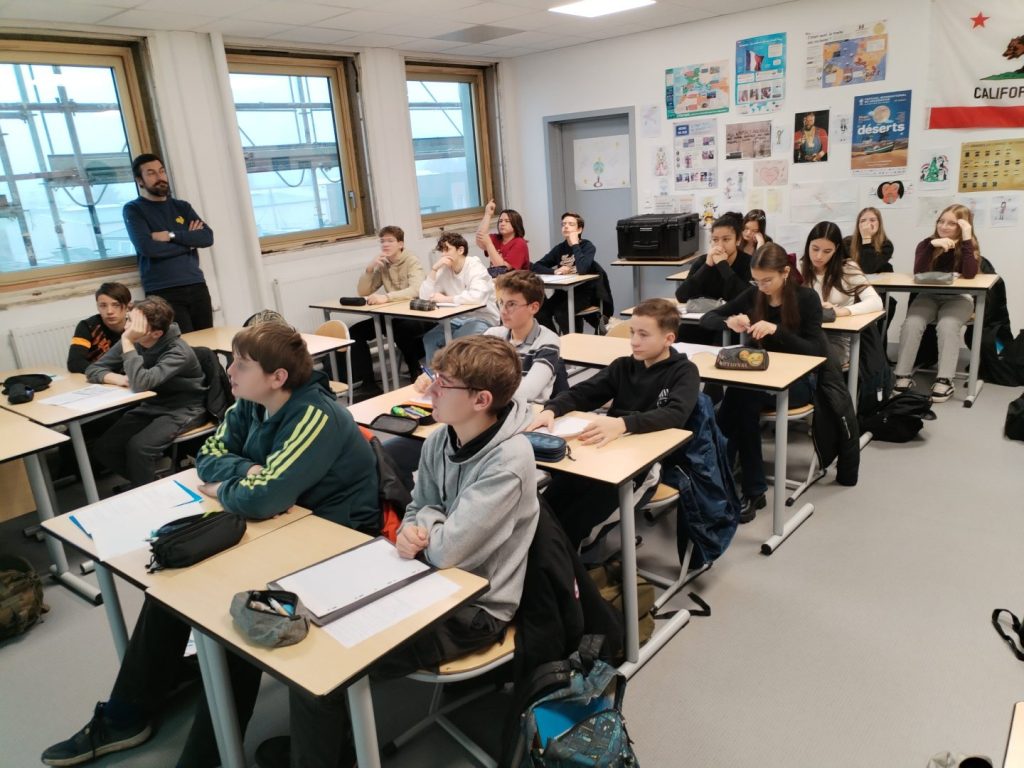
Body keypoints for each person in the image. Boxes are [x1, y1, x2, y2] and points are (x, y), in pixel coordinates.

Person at [42, 323, 380, 768]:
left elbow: (263, 498)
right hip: (282, 526)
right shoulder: (249, 403)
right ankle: (127, 715)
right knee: (169, 590)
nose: (229, 372)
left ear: (277, 377)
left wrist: (231, 487)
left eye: (242, 364)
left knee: (240, 619)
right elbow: (206, 458)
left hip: (335, 541)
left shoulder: (314, 415)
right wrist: (249, 470)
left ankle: (204, 757)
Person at [253, 335, 539, 768]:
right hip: (424, 577)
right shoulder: (442, 438)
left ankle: (320, 757)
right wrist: (414, 529)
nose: (430, 389)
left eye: (444, 383)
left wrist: (428, 523)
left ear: (481, 400)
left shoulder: (509, 461)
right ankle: (325, 748)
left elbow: (448, 551)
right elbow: (416, 506)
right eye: (433, 377)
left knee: (327, 661)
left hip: (476, 608)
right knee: (316, 621)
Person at [529, 298, 700, 547]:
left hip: (645, 465)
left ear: (668, 339)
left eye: (643, 335)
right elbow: (583, 393)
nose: (634, 341)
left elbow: (675, 414)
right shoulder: (624, 366)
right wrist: (551, 409)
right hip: (605, 451)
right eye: (632, 332)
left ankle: (572, 560)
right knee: (547, 508)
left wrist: (622, 424)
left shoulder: (684, 372)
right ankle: (555, 556)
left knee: (574, 523)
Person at [700, 243, 829, 523]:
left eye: (767, 280)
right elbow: (708, 318)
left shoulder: (806, 299)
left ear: (785, 272)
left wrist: (776, 330)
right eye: (757, 281)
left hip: (798, 383)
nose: (762, 287)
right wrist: (729, 322)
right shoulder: (754, 293)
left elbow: (817, 352)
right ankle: (745, 486)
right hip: (759, 380)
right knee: (741, 399)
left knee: (738, 399)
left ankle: (725, 479)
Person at [85, 296, 207, 488]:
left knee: (139, 448)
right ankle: (148, 485)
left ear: (156, 333)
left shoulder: (177, 351)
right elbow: (93, 369)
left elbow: (141, 383)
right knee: (104, 447)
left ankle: (148, 490)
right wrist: (119, 379)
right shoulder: (135, 339)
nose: (127, 328)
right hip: (153, 405)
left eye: (134, 324)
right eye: (129, 320)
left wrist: (127, 342)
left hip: (184, 409)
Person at [893, 204, 980, 403]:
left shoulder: (968, 246)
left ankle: (945, 379)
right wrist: (932, 245)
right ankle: (902, 375)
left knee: (947, 324)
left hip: (959, 298)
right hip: (929, 296)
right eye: (941, 221)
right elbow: (918, 272)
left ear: (962, 226)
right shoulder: (927, 244)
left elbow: (969, 274)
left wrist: (967, 236)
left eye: (952, 223)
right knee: (912, 323)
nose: (944, 226)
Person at [123, 153, 214, 333]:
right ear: (140, 181)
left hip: (196, 285)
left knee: (207, 340)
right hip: (163, 291)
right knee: (181, 343)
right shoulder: (134, 209)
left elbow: (206, 237)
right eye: (151, 173)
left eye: (161, 171)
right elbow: (148, 248)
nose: (159, 177)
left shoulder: (182, 207)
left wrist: (171, 236)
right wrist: (189, 242)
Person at [349, 225, 428, 389]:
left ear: (400, 244)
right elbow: (363, 291)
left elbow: (416, 289)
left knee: (401, 328)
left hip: (415, 314)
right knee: (355, 332)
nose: (385, 244)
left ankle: (415, 370)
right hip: (392, 315)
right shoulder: (383, 264)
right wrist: (369, 269)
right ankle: (368, 383)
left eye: (390, 241)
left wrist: (386, 297)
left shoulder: (411, 260)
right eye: (382, 241)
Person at [800, 221, 883, 363]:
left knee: (813, 359)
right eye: (815, 249)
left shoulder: (847, 268)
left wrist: (840, 311)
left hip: (838, 337)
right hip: (807, 333)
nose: (819, 256)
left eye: (827, 251)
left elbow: (876, 302)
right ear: (808, 245)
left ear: (836, 249)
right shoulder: (800, 267)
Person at [419, 232, 499, 364]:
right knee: (430, 339)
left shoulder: (474, 266)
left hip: (482, 318)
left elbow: (477, 297)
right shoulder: (444, 269)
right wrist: (434, 269)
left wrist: (445, 299)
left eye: (447, 250)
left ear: (460, 250)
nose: (443, 255)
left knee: (455, 342)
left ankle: (453, 375)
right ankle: (435, 375)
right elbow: (424, 296)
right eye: (442, 251)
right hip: (456, 320)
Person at [675, 212, 752, 344]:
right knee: (681, 336)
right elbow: (682, 296)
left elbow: (746, 299)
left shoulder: (748, 262)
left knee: (721, 340)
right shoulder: (703, 262)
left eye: (726, 239)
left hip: (733, 322)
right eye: (715, 240)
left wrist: (723, 266)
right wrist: (707, 266)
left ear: (738, 240)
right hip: (704, 319)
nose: (719, 246)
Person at [532, 211, 599, 334]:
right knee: (540, 312)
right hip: (562, 293)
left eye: (571, 224)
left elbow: (583, 269)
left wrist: (575, 244)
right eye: (563, 224)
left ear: (579, 229)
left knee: (562, 313)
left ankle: (574, 342)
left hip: (583, 293)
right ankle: (554, 339)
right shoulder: (559, 248)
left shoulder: (587, 246)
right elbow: (536, 266)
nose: (566, 226)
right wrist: (555, 271)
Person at [67, 282, 132, 374]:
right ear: (97, 307)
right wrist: (107, 376)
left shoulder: (137, 327)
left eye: (116, 305)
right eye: (103, 305)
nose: (109, 311)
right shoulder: (87, 326)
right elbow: (74, 362)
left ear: (128, 306)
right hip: (98, 379)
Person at [475, 199, 530, 273]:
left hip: (514, 279)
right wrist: (487, 214)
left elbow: (502, 269)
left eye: (507, 221)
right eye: (500, 221)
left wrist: (489, 244)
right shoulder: (496, 238)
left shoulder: (520, 243)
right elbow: (479, 238)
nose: (502, 224)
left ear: (515, 224)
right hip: (495, 278)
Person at [843, 206, 894, 275]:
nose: (867, 224)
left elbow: (868, 269)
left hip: (880, 280)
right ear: (858, 225)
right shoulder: (848, 242)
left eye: (872, 220)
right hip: (855, 280)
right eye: (863, 221)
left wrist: (866, 238)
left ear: (879, 224)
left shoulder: (886, 245)